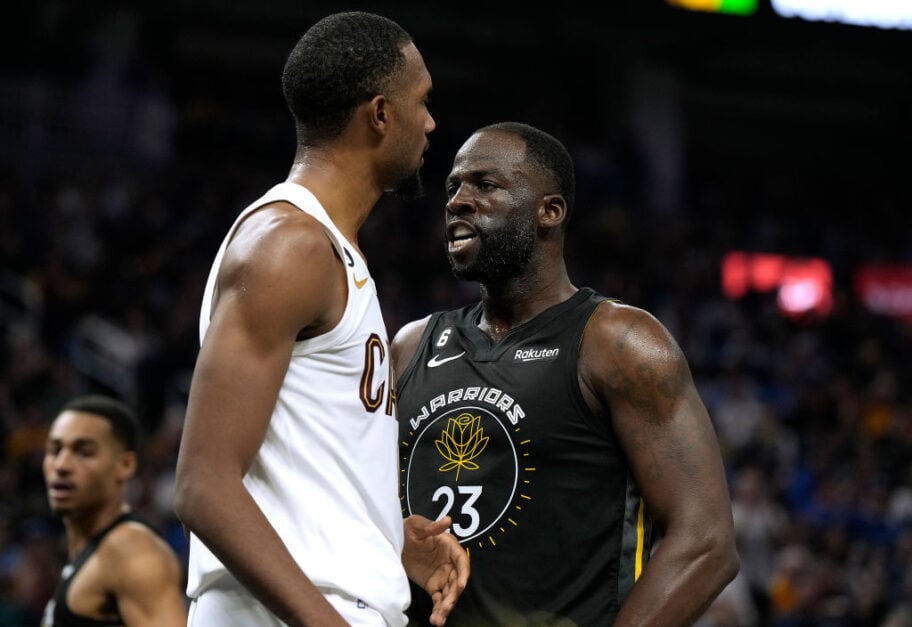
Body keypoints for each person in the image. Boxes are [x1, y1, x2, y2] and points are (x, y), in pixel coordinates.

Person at [172, 11, 468, 627]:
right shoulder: (291, 246)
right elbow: (204, 484)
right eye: (424, 101)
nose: (432, 122)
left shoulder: (326, 247)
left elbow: (298, 460)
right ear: (380, 114)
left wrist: (382, 538)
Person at [394, 121, 740, 626]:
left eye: (485, 186)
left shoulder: (618, 343)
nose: (458, 201)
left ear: (549, 212)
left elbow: (706, 544)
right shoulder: (410, 345)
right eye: (453, 188)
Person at [41, 394, 187, 626]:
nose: (61, 465)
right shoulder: (92, 550)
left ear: (125, 465)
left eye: (84, 452)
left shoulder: (130, 549)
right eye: (55, 450)